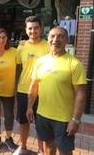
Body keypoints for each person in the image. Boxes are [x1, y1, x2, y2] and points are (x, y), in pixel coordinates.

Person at [26, 26, 86, 155]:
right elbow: (34, 85)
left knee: (64, 151)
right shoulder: (41, 61)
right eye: (52, 36)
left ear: (66, 40)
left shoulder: (74, 64)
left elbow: (80, 94)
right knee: (48, 145)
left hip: (63, 119)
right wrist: (30, 107)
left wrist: (75, 120)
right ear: (48, 39)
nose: (56, 39)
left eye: (60, 36)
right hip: (42, 115)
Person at [14, 16, 50, 155]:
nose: (33, 30)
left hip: (42, 91)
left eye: (36, 27)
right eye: (30, 28)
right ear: (26, 30)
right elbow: (18, 68)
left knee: (41, 123)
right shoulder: (21, 46)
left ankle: (41, 150)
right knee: (23, 122)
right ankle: (23, 147)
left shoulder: (48, 46)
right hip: (24, 90)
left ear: (40, 28)